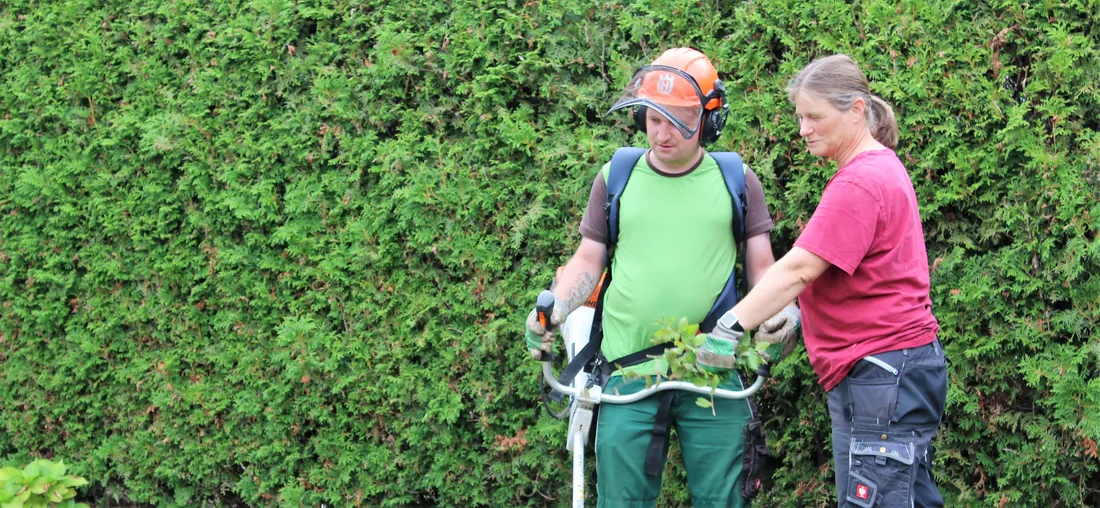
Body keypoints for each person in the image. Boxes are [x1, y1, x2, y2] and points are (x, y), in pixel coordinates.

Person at [524, 47, 801, 507]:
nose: (662, 131)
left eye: (678, 119)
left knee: (725, 501)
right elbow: (588, 261)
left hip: (714, 373)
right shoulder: (617, 176)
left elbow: (765, 273)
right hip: (625, 372)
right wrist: (554, 313)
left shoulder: (737, 180)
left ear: (710, 120)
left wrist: (785, 317)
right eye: (653, 117)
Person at [715, 54, 948, 507]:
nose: (803, 129)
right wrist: (796, 314)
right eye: (801, 116)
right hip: (896, 370)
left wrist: (730, 327)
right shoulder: (878, 169)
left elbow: (800, 268)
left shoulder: (860, 181)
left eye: (814, 116)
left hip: (881, 374)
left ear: (856, 109)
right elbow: (860, 275)